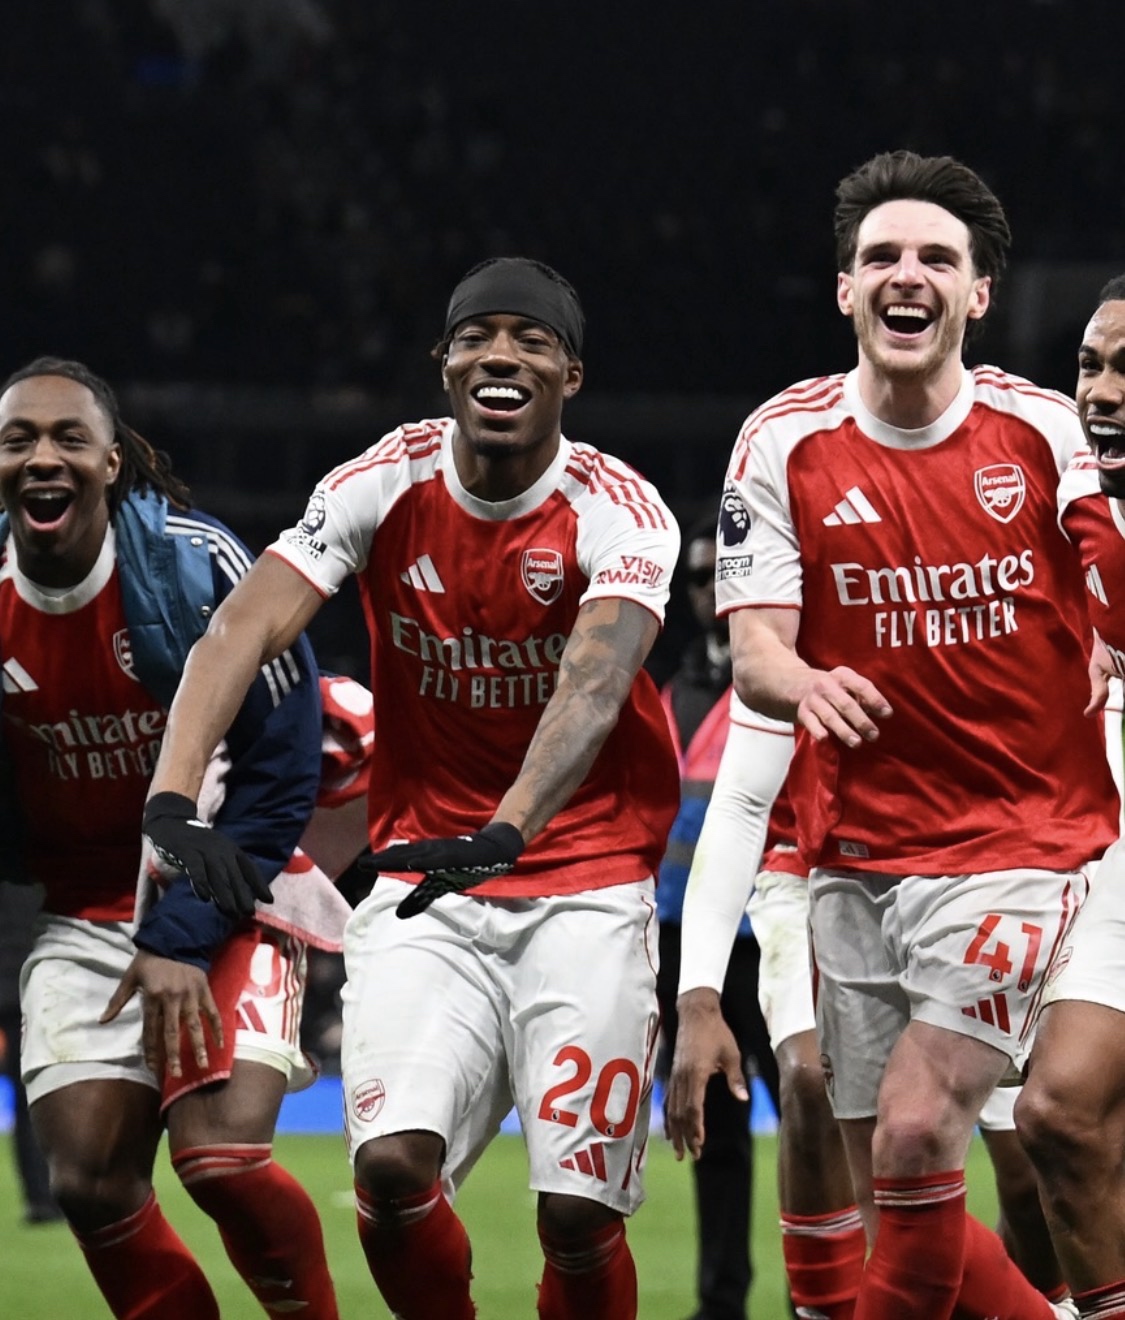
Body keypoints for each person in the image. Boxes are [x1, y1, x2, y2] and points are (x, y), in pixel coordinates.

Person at [141, 256, 682, 1319]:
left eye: (531, 340)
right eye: (477, 336)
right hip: (426, 884)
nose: (501, 355)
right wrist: (169, 799)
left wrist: (507, 829)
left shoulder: (620, 510)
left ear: (571, 375)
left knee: (577, 1218)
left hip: (586, 880)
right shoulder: (380, 481)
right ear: (444, 363)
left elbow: (595, 682)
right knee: (390, 1175)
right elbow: (241, 626)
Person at [669, 150, 1117, 1320]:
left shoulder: (1041, 429)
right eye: (880, 257)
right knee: (901, 1193)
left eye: (935, 258)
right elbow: (757, 654)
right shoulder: (783, 441)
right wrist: (806, 680)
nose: (905, 275)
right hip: (856, 861)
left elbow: (1109, 567)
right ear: (844, 289)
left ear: (978, 294)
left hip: (1017, 844)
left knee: (922, 1132)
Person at [0, 356, 346, 1318]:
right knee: (88, 1183)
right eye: (18, 440)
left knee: (220, 1159)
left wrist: (182, 933)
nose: (42, 457)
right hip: (78, 914)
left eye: (69, 438)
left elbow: (279, 771)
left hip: (225, 892)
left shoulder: (199, 567)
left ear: (112, 462)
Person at [671, 712, 1069, 1317]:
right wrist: (699, 993)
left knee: (1023, 1177)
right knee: (813, 1086)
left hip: (977, 860)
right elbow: (743, 793)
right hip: (817, 866)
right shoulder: (794, 653)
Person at [1016, 273, 1125, 1319]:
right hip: (1101, 861)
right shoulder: (1062, 521)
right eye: (1090, 365)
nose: (1102, 390)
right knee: (1055, 1113)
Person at [655, 516, 780, 1320]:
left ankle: (828, 1295)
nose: (709, 593)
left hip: (775, 934)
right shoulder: (667, 693)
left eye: (719, 576)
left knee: (813, 1117)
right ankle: (720, 1304)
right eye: (697, 580)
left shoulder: (780, 679)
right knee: (715, 1131)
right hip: (686, 938)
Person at [0, 880, 61, 1224]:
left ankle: (41, 1197)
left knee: (28, 1096)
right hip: (30, 985)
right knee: (37, 1093)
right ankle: (46, 1196)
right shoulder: (33, 869)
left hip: (16, 987)